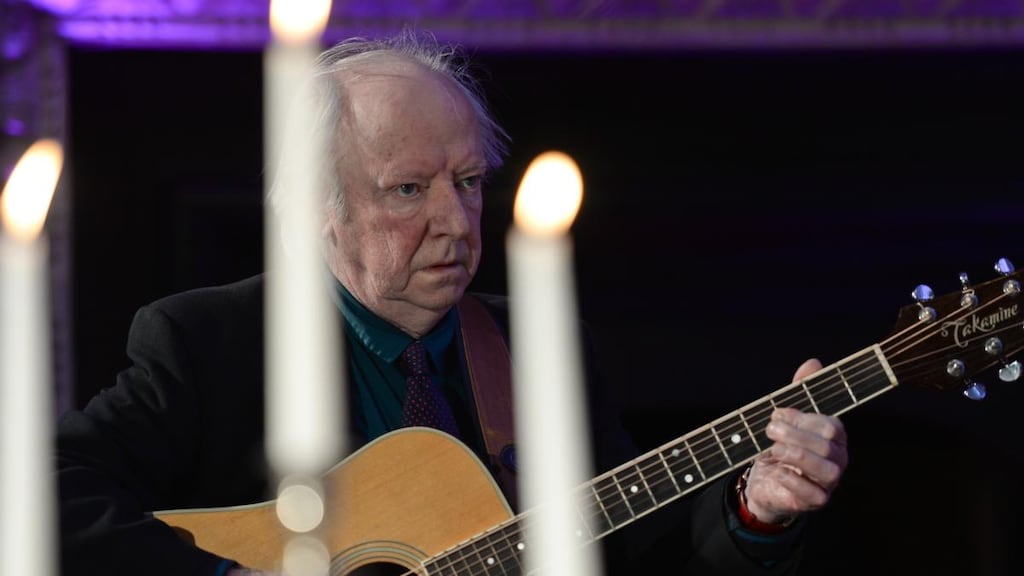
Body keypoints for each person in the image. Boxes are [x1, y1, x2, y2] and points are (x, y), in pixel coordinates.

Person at [56, 30, 848, 576]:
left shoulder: (538, 349)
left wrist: (756, 511)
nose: (454, 221)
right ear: (315, 209)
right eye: (408, 188)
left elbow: (632, 548)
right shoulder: (209, 342)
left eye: (467, 183)